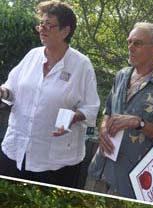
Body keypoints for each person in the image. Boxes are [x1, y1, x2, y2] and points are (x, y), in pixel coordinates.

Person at [0, 0, 100, 188]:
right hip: (15, 151)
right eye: (41, 24)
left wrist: (73, 117)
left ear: (65, 31)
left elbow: (91, 108)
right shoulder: (32, 56)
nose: (42, 29)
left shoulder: (81, 65)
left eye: (48, 25)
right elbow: (11, 90)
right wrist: (3, 92)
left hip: (56, 163)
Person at [87, 22, 153, 198]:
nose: (130, 47)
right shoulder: (121, 75)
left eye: (137, 43)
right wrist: (103, 128)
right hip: (100, 167)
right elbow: (108, 111)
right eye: (129, 42)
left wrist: (139, 123)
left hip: (130, 181)